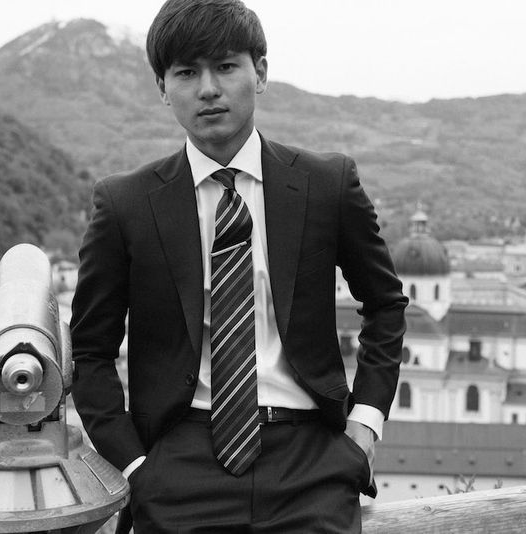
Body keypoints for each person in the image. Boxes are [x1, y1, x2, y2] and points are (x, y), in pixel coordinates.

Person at [69, 0, 407, 531]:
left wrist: (363, 428)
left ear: (261, 72)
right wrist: (135, 466)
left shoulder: (326, 185)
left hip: (312, 461)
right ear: (163, 88)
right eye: (186, 72)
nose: (208, 89)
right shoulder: (125, 204)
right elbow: (90, 350)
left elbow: (385, 304)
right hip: (178, 467)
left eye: (226, 67)